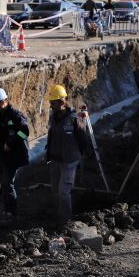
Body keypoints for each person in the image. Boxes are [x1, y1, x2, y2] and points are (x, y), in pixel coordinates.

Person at [45, 85, 90, 227]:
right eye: (50, 102)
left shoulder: (74, 119)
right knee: (54, 190)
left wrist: (79, 157)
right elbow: (51, 137)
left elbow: (83, 139)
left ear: (62, 102)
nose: (51, 105)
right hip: (55, 159)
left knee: (64, 191)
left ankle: (65, 221)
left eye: (53, 103)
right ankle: (57, 213)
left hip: (69, 161)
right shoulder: (53, 117)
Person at [0, 88, 30, 225]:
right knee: (4, 182)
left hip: (14, 156)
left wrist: (10, 143)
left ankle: (11, 212)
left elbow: (25, 132)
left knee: (8, 183)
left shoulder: (16, 116)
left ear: (2, 102)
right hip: (2, 155)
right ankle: (7, 210)